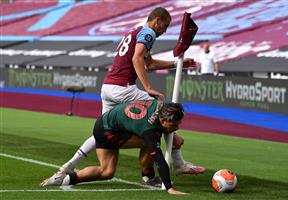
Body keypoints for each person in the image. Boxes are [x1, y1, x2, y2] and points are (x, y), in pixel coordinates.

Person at [42, 7, 205, 187]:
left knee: (104, 130)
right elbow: (137, 59)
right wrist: (149, 87)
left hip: (108, 87)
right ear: (156, 21)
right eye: (164, 26)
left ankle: (66, 168)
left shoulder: (135, 33)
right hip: (122, 88)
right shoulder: (148, 33)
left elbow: (148, 63)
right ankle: (177, 164)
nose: (164, 31)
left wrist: (177, 63)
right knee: (159, 110)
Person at [41, 100, 190, 196]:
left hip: (116, 123)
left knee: (150, 142)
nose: (176, 128)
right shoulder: (149, 130)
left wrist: (173, 133)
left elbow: (172, 106)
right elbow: (159, 158)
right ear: (162, 119)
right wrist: (169, 188)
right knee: (107, 172)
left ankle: (148, 175)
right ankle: (64, 179)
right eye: (174, 126)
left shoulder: (164, 106)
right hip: (106, 131)